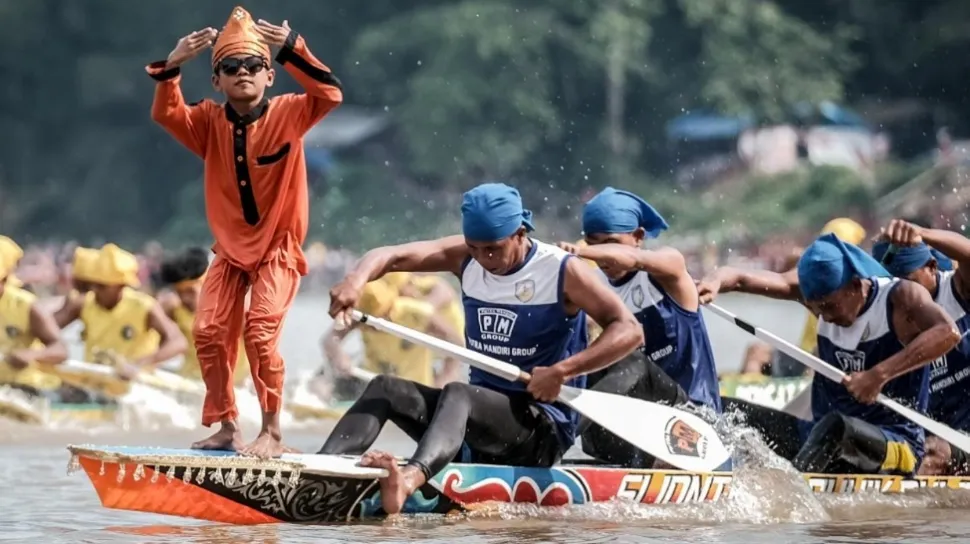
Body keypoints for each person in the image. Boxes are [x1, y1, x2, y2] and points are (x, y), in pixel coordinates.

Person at [320, 183, 643, 514]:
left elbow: (630, 330)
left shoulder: (561, 270)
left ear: (520, 232)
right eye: (474, 248)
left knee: (459, 392)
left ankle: (408, 481)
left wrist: (564, 371)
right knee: (384, 388)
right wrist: (355, 281)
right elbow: (390, 256)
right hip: (476, 424)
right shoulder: (465, 257)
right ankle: (316, 472)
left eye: (492, 249)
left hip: (540, 428)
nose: (483, 258)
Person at [146, 7, 343, 456]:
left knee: (259, 332)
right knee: (209, 330)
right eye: (230, 68)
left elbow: (329, 93)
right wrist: (171, 66)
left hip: (278, 249)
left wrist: (293, 49)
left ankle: (272, 431)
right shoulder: (208, 123)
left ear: (269, 76)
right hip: (231, 252)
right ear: (216, 81)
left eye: (253, 65)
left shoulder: (293, 113)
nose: (242, 74)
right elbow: (167, 113)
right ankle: (226, 426)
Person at [697, 234, 960, 475]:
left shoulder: (900, 297)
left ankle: (793, 495)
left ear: (856, 285)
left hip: (894, 444)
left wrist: (878, 376)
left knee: (837, 428)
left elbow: (947, 332)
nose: (826, 317)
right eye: (817, 310)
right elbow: (742, 278)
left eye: (830, 307)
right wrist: (714, 281)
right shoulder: (817, 294)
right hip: (819, 437)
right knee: (725, 407)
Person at [557, 187, 721, 468]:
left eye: (610, 243)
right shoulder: (597, 288)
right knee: (582, 358)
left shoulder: (669, 268)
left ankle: (556, 438)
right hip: (637, 426)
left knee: (630, 359)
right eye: (593, 244)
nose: (601, 257)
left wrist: (583, 252)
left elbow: (634, 260)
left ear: (639, 237)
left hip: (692, 424)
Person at [871, 219, 970, 475]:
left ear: (932, 267)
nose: (900, 292)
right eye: (891, 284)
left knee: (933, 452)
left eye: (907, 280)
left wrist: (923, 234)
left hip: (958, 440)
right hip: (928, 434)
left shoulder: (957, 291)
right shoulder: (885, 306)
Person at [55, 244, 186, 377]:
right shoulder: (84, 303)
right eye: (92, 284)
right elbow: (48, 327)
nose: (95, 290)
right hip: (96, 382)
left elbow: (178, 342)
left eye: (102, 286)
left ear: (120, 286)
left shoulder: (143, 306)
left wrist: (140, 364)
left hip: (135, 386)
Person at [322, 276, 462, 392]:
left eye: (376, 320)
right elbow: (329, 340)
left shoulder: (417, 312)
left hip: (414, 388)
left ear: (388, 308)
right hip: (370, 382)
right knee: (321, 386)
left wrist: (444, 381)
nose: (371, 328)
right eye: (366, 323)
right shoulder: (358, 316)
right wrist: (339, 356)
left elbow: (455, 342)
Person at [158, 248, 249, 385]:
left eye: (190, 291)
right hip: (190, 382)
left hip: (233, 386)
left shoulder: (235, 309)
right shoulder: (173, 309)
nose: (184, 298)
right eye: (179, 292)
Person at [0, 236, 69, 396]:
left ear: (4, 279)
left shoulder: (27, 306)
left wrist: (31, 355)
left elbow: (61, 349)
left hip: (24, 388)